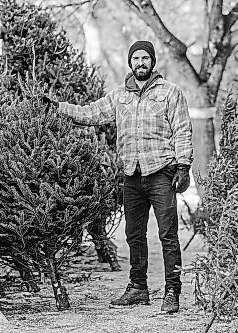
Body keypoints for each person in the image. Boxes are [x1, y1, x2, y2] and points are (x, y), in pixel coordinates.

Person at [47, 40, 193, 314]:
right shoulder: (119, 97)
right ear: (130, 62)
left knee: (168, 234)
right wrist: (57, 107)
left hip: (162, 172)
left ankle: (172, 290)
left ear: (152, 62)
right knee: (134, 235)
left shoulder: (170, 93)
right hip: (132, 176)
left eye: (145, 58)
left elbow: (183, 129)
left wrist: (183, 166)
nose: (140, 63)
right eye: (136, 58)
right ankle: (138, 288)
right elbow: (89, 113)